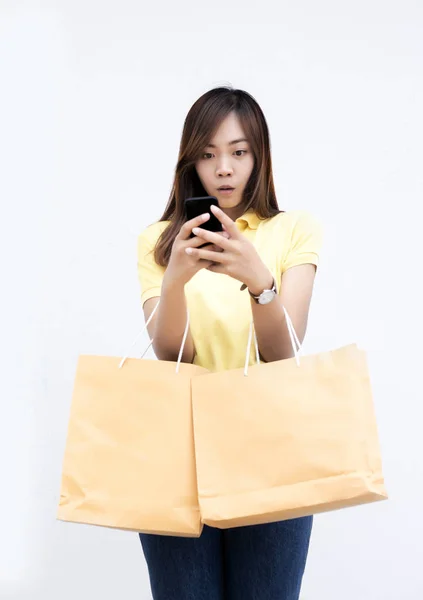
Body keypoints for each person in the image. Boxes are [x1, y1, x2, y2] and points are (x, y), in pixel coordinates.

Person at [136, 86, 323, 600]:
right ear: (190, 161)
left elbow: (283, 351)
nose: (224, 169)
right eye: (209, 154)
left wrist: (261, 283)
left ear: (258, 156)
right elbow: (174, 356)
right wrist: (174, 280)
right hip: (181, 456)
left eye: (239, 152)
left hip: (273, 451)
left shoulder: (293, 230)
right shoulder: (159, 241)